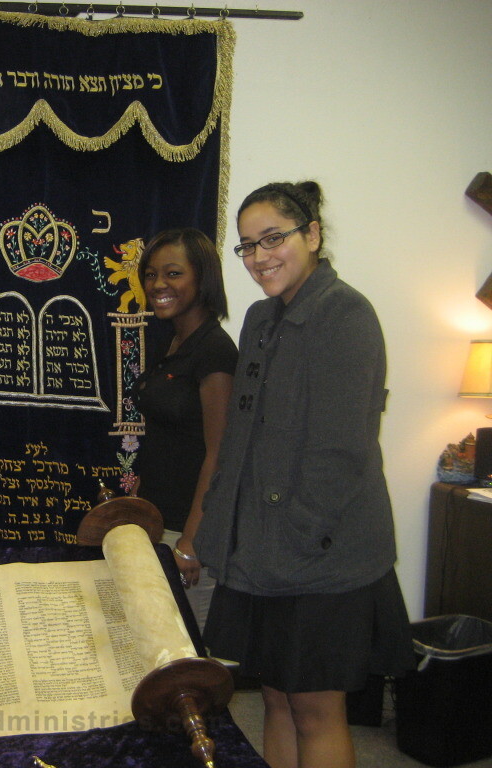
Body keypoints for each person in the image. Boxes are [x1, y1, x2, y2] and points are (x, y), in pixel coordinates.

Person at [194, 181, 414, 768]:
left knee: (316, 710)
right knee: (274, 700)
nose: (260, 256)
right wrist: (222, 528)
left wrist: (295, 535)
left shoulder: (346, 314)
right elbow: (240, 439)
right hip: (262, 553)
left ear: (312, 235)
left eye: (273, 239)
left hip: (320, 557)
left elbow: (341, 451)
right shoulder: (260, 319)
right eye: (247, 246)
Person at [132, 228, 236, 631]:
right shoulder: (173, 342)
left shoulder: (215, 351)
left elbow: (218, 453)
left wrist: (190, 542)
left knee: (191, 663)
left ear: (202, 278)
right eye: (151, 274)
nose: (158, 284)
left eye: (173, 273)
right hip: (159, 522)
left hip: (187, 532)